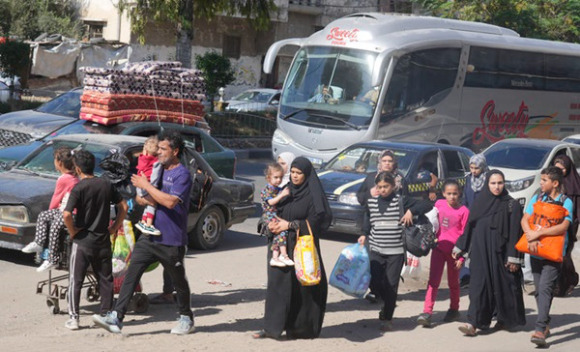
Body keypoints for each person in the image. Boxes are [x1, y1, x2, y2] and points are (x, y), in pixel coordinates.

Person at [92, 130, 195, 335]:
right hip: (149, 235)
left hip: (171, 238)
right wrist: (143, 193)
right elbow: (143, 199)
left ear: (175, 151)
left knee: (178, 280)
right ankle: (116, 317)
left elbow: (170, 201)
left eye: (163, 149)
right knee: (131, 274)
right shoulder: (158, 169)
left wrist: (147, 187)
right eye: (158, 148)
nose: (158, 152)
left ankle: (186, 317)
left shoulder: (182, 174)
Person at [253, 157, 332, 339]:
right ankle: (271, 328)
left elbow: (315, 222)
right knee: (276, 286)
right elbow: (268, 209)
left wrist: (289, 225)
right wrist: (269, 224)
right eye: (293, 173)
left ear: (306, 175)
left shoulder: (312, 196)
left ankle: (300, 329)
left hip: (301, 247)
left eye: (299, 173)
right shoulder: (285, 191)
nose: (295, 177)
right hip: (278, 245)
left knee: (302, 288)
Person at [358, 171, 433, 332]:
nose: (383, 190)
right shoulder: (371, 203)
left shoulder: (401, 201)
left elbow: (428, 204)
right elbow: (367, 220)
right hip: (376, 250)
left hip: (396, 252)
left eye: (386, 186)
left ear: (393, 186)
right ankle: (386, 304)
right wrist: (364, 234)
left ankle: (387, 317)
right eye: (380, 187)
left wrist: (411, 211)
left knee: (391, 285)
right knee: (377, 282)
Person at [454, 170, 526, 336]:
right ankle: (472, 323)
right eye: (493, 183)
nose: (497, 187)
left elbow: (516, 233)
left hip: (502, 254)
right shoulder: (480, 203)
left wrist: (514, 258)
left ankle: (504, 319)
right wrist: (461, 247)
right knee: (478, 286)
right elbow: (470, 228)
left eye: (500, 183)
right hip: (480, 252)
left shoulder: (511, 204)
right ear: (487, 184)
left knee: (505, 286)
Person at [62, 150, 128, 330]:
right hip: (103, 239)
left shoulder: (79, 188)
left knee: (76, 280)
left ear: (77, 168)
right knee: (105, 279)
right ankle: (106, 314)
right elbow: (123, 206)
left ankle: (74, 319)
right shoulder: (106, 184)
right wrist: (114, 226)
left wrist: (73, 231)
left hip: (82, 241)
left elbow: (67, 214)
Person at [521, 166, 573, 347]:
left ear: (555, 183)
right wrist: (530, 234)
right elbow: (525, 218)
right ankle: (546, 323)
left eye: (544, 180)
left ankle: (540, 329)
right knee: (540, 289)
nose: (541, 183)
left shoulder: (566, 202)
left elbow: (564, 227)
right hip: (535, 251)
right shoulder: (537, 198)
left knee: (544, 288)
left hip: (553, 253)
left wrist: (538, 235)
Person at [356, 150, 407, 303]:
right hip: (374, 226)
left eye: (389, 161)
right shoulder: (371, 178)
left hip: (394, 230)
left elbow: (408, 200)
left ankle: (387, 293)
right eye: (384, 161)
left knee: (390, 265)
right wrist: (370, 194)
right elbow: (360, 198)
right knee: (375, 262)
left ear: (394, 163)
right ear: (379, 162)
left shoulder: (401, 179)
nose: (387, 163)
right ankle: (374, 290)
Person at [417, 180, 469, 327]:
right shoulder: (439, 204)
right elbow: (430, 218)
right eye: (449, 193)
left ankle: (454, 309)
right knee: (433, 281)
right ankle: (427, 312)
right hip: (439, 249)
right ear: (444, 194)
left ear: (459, 194)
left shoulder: (464, 211)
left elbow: (466, 235)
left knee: (453, 283)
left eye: (455, 193)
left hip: (455, 253)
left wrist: (462, 256)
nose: (452, 196)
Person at [22, 146, 79, 272]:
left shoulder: (64, 179)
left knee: (54, 226)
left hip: (71, 213)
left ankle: (52, 259)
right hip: (64, 210)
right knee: (43, 215)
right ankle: (39, 243)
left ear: (59, 163)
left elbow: (56, 197)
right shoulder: (72, 176)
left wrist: (51, 210)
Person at [460, 153, 489, 288]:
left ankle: (478, 275)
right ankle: (465, 276)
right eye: (471, 168)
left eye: (476, 168)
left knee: (478, 248)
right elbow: (465, 198)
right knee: (466, 246)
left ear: (482, 167)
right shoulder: (468, 179)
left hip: (483, 219)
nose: (473, 171)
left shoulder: (489, 180)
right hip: (469, 218)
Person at [552, 155, 580, 296]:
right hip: (554, 222)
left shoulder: (574, 184)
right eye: (557, 169)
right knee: (556, 253)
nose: (559, 171)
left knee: (564, 253)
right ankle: (563, 281)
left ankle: (568, 280)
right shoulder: (554, 182)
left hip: (570, 224)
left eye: (562, 169)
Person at [261, 163, 292, 267]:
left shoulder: (278, 189)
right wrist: (282, 195)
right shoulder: (267, 190)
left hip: (276, 215)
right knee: (281, 230)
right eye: (276, 177)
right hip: (270, 215)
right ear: (268, 177)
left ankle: (277, 256)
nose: (278, 180)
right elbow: (271, 202)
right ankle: (282, 255)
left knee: (280, 234)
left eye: (280, 178)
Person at [134, 135, 162, 236]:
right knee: (152, 204)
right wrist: (153, 188)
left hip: (139, 188)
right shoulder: (156, 162)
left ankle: (143, 222)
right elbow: (155, 176)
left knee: (147, 205)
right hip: (147, 185)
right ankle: (149, 224)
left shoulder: (141, 159)